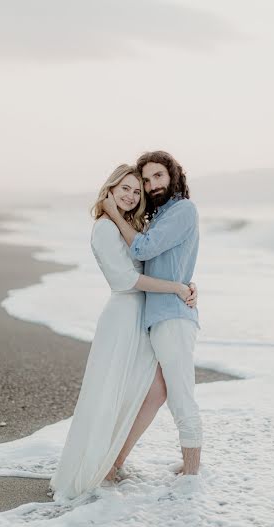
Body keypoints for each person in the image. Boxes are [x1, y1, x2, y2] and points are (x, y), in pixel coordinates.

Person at [49, 164, 197, 501]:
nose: (131, 195)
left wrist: (186, 284)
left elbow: (156, 259)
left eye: (136, 191)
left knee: (152, 389)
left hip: (140, 315)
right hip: (121, 317)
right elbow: (125, 280)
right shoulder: (104, 228)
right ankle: (98, 467)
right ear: (110, 190)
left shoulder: (128, 227)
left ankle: (114, 459)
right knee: (109, 393)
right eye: (125, 189)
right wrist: (175, 287)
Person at [102, 151, 203, 476]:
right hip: (158, 316)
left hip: (172, 316)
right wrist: (185, 283)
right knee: (157, 392)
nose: (150, 184)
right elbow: (169, 263)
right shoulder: (158, 217)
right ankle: (114, 461)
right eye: (145, 180)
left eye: (158, 176)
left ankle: (191, 475)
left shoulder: (183, 209)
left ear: (173, 175)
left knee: (181, 395)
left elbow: (144, 250)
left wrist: (116, 217)